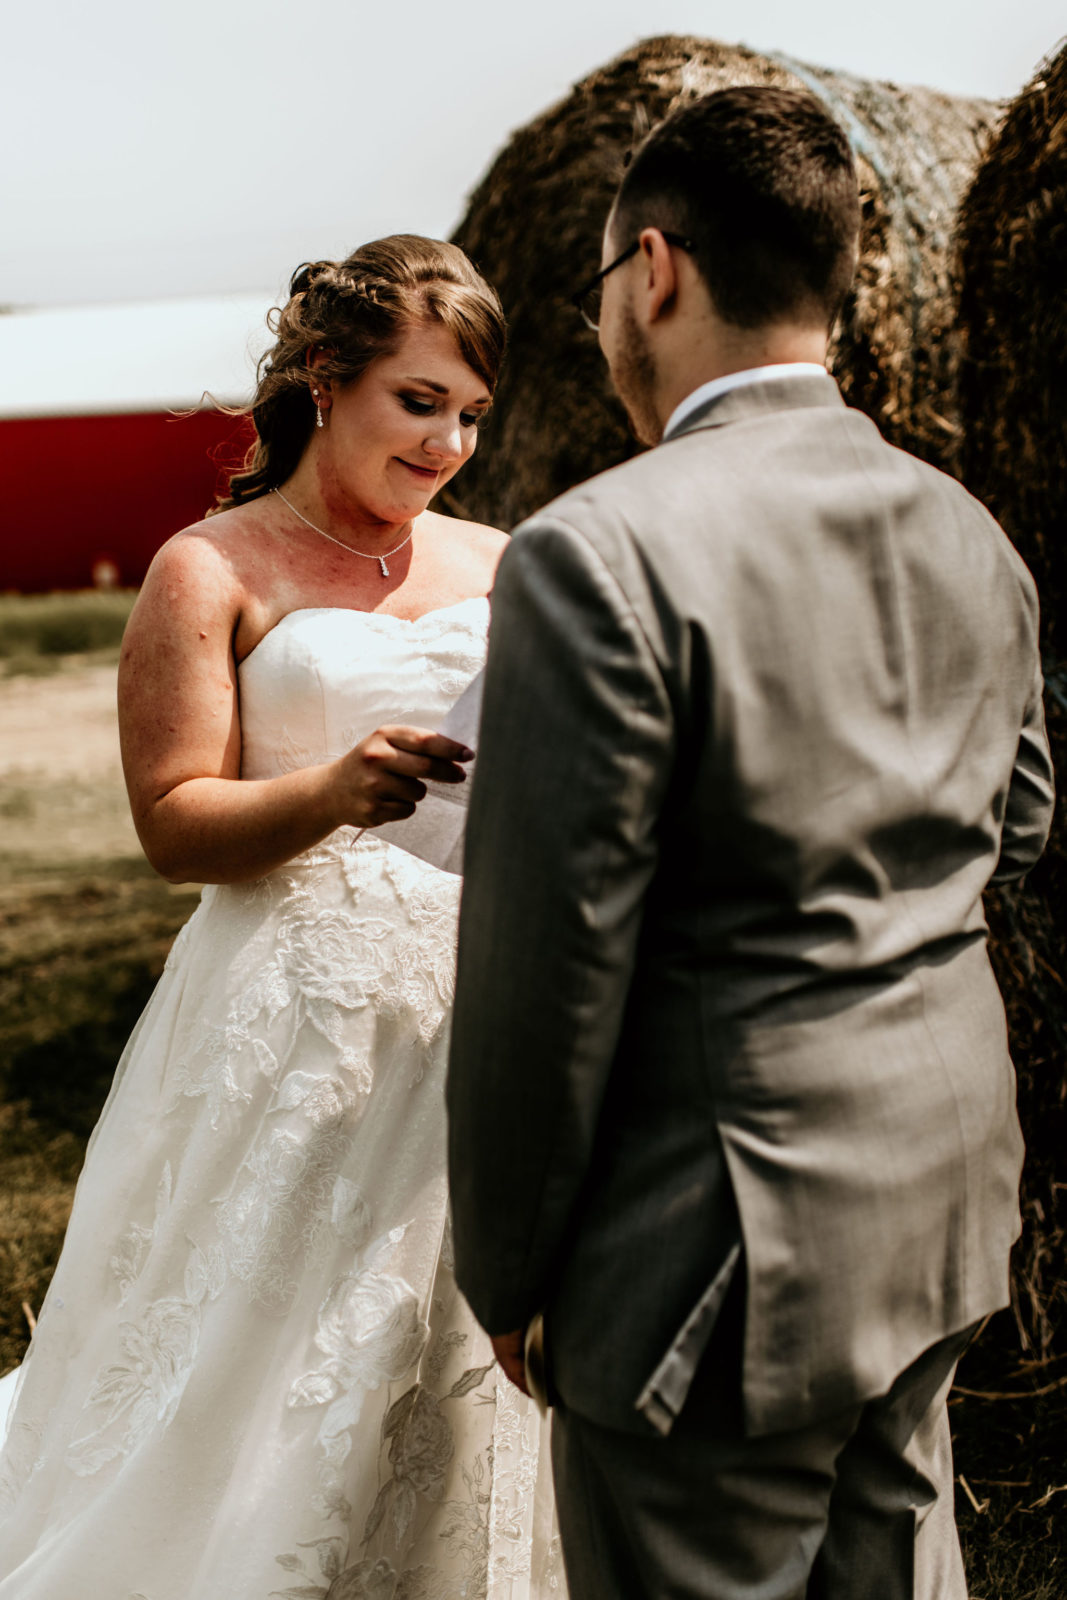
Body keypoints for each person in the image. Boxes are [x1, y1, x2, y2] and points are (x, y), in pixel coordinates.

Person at [446, 88, 1056, 1600]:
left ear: (653, 273)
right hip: (940, 1203)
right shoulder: (968, 529)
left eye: (600, 289)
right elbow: (1021, 820)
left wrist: (507, 1274)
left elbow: (543, 975)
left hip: (713, 1264)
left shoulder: (595, 553)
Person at [0, 236, 562, 1599]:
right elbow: (169, 823)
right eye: (418, 402)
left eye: (471, 414)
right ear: (325, 378)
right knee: (264, 1359)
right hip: (293, 1021)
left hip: (480, 998)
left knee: (451, 1337)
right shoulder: (208, 567)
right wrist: (332, 792)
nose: (447, 445)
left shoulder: (507, 560)